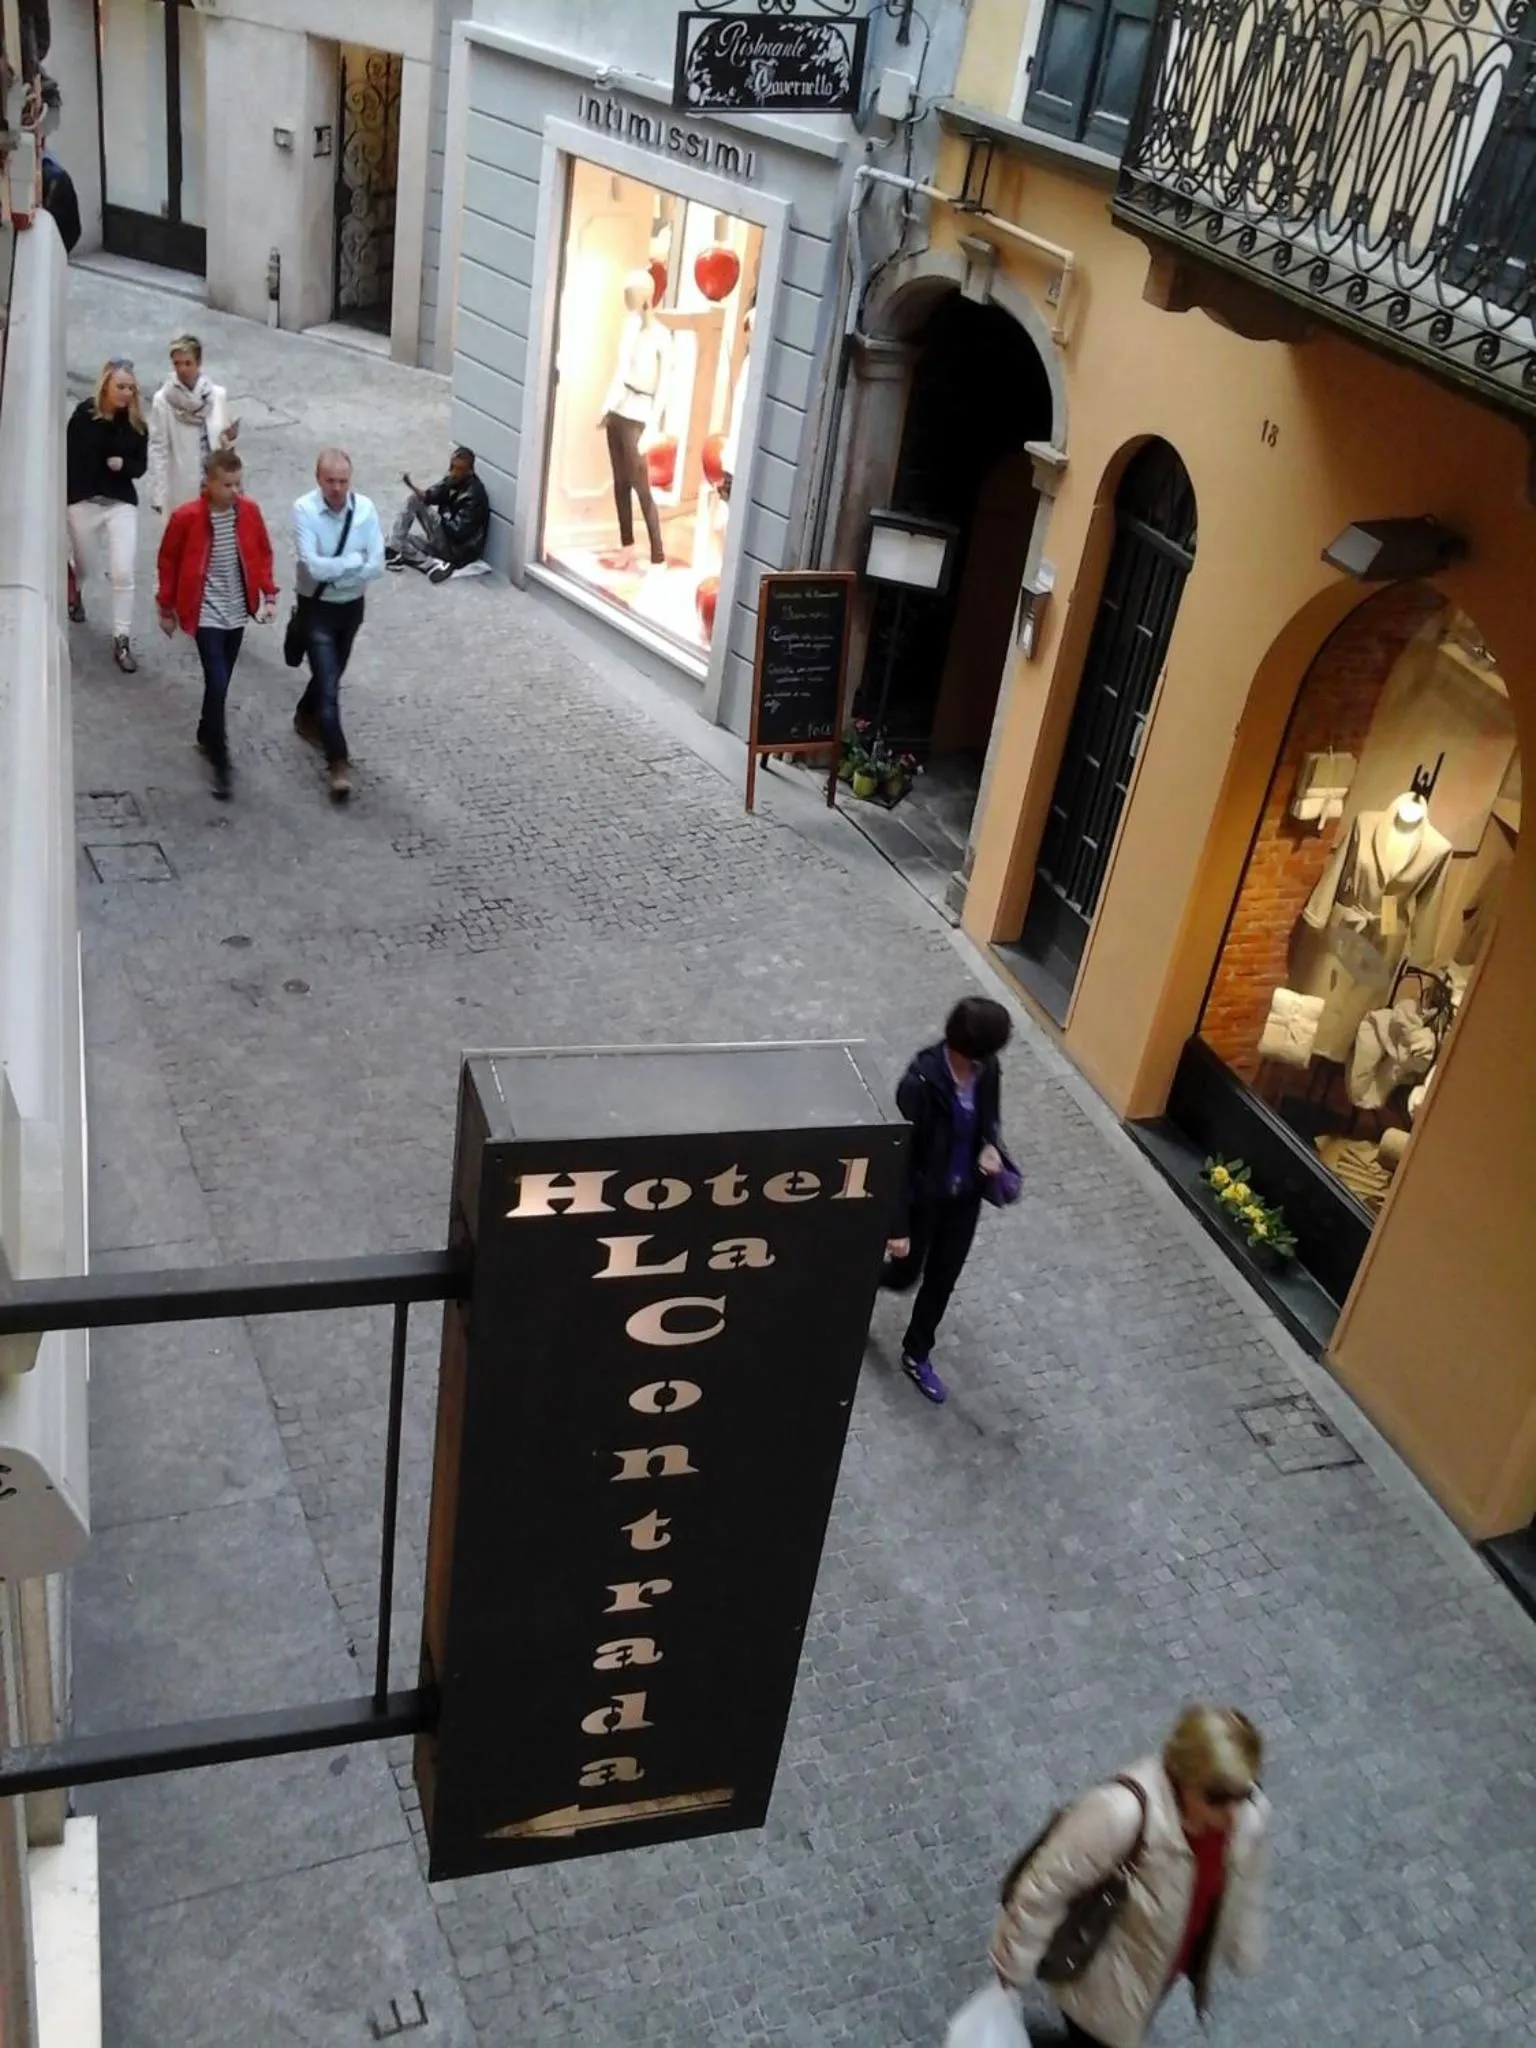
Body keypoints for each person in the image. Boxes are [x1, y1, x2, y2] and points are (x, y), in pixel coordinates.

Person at [991, 1705, 1270, 2048]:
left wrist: (1242, 1940)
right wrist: (1011, 1970)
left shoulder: (1247, 1815)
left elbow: (1243, 1882)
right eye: (1218, 1799)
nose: (1233, 1813)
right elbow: (1043, 1889)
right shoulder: (1119, 1814)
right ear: (1184, 1777)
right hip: (1103, 1986)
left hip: (1155, 1969)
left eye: (1245, 1793)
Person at [881, 995, 1015, 1404]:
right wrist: (897, 1225)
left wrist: (991, 1147)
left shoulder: (987, 1070)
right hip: (925, 1199)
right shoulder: (919, 1084)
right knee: (906, 1274)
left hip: (964, 1196)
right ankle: (860, 1279)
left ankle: (917, 1353)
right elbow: (898, 1156)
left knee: (943, 1278)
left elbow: (989, 1118)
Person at [155, 447, 278, 800]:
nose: (235, 492)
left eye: (239, 484)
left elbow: (262, 553)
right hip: (205, 611)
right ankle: (220, 757)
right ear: (208, 483)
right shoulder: (187, 517)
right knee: (218, 682)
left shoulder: (249, 513)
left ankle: (205, 733)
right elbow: (168, 561)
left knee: (221, 680)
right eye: (227, 485)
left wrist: (268, 594)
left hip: (237, 610)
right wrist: (166, 606)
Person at [291, 447, 385, 802]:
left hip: (351, 608)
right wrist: (353, 562)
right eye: (330, 481)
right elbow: (312, 566)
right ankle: (338, 762)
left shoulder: (365, 510)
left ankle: (304, 714)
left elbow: (376, 564)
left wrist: (341, 564)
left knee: (330, 674)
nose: (337, 488)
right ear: (318, 480)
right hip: (317, 608)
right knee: (330, 686)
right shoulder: (304, 510)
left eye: (343, 481)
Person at [67, 358, 149, 672]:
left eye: (131, 388)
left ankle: (122, 638)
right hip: (83, 501)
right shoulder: (84, 416)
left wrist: (123, 466)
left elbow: (139, 467)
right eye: (121, 386)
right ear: (106, 385)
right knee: (85, 564)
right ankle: (75, 587)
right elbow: (68, 457)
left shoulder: (136, 424)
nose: (126, 393)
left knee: (123, 572)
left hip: (119, 502)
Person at [148, 334, 237, 519]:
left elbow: (227, 441)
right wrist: (158, 493)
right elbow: (158, 448)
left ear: (198, 363)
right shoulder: (163, 400)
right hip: (183, 483)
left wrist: (229, 439)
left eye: (187, 363)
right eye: (177, 363)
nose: (182, 369)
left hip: (215, 480)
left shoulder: (217, 395)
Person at [386, 446, 490, 582]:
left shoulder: (474, 495)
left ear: (469, 471)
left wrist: (438, 518)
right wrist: (413, 487)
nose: (453, 472)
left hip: (457, 551)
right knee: (394, 539)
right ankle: (432, 564)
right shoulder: (452, 480)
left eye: (458, 469)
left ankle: (395, 554)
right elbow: (431, 495)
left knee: (413, 502)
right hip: (442, 541)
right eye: (452, 467)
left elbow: (458, 532)